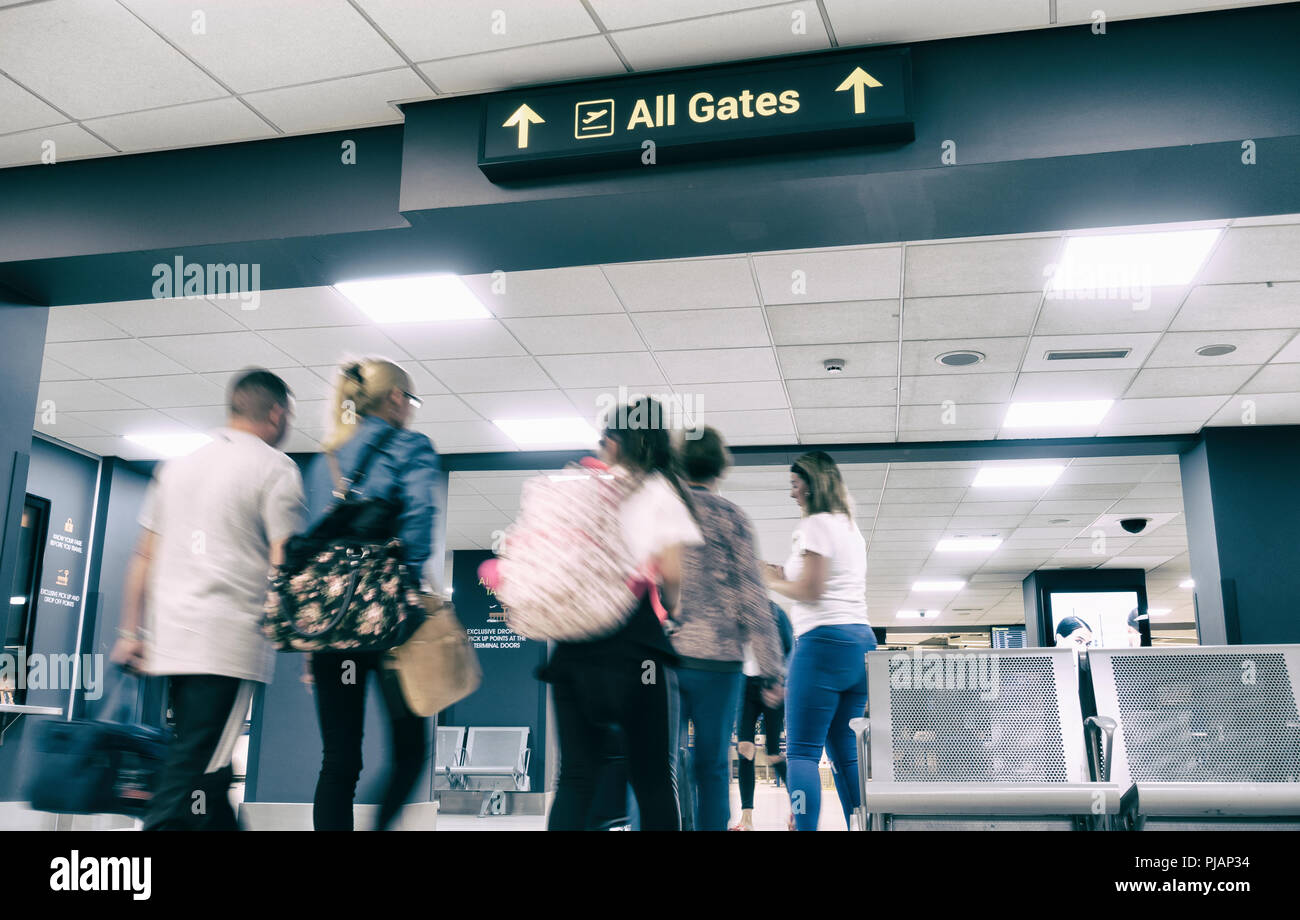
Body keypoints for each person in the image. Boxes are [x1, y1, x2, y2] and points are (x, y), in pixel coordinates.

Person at [112, 369, 306, 831]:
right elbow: (286, 563)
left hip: (172, 644)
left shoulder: (177, 466)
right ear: (277, 412)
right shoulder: (276, 468)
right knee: (192, 773)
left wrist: (128, 632)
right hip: (226, 647)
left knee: (210, 774)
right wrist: (304, 640)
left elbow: (143, 555)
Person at [542, 397, 703, 831]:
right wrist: (670, 608)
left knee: (576, 777)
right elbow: (671, 576)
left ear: (613, 441)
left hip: (574, 650)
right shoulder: (659, 491)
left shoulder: (577, 488)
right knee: (652, 778)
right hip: (638, 653)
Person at [302, 357, 440, 831]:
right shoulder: (411, 446)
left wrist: (314, 639)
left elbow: (312, 550)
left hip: (330, 627)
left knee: (339, 760)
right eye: (411, 399)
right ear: (397, 399)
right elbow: (420, 523)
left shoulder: (327, 459)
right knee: (411, 748)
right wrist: (411, 586)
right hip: (388, 622)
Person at [671, 426, 784, 831]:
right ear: (720, 468)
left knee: (659, 761)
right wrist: (771, 670)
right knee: (713, 765)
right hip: (719, 664)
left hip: (666, 660)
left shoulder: (664, 512)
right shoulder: (732, 517)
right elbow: (754, 599)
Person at [763, 451, 875, 832]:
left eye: (795, 485)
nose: (792, 494)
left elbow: (809, 590)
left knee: (802, 753)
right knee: (846, 753)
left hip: (822, 643)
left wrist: (770, 582)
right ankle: (867, 826)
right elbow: (811, 578)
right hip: (860, 643)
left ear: (812, 484)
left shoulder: (815, 525)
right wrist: (775, 571)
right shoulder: (849, 527)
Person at [732, 602, 795, 831]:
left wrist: (782, 680)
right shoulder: (736, 610)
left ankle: (796, 810)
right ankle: (746, 819)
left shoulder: (776, 613)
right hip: (745, 685)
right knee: (745, 749)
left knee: (773, 753)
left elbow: (790, 649)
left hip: (772, 682)